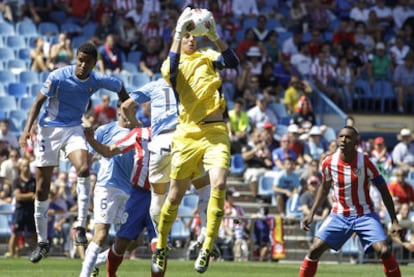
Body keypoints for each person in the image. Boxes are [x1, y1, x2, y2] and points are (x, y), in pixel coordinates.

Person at [18, 42, 130, 263]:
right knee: (42, 188)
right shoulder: (59, 76)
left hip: (73, 128)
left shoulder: (96, 79)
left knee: (84, 167)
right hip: (49, 129)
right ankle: (42, 243)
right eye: (79, 59)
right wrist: (26, 130)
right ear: (76, 58)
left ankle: (80, 226)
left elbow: (119, 86)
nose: (81, 64)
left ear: (93, 63)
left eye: (86, 61)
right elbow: (38, 102)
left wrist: (124, 106)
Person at [151, 7, 239, 275]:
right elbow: (174, 66)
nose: (192, 39)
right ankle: (162, 246)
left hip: (215, 132)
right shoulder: (171, 65)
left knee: (220, 183)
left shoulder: (209, 57)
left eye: (193, 35)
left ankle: (206, 247)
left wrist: (215, 36)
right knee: (175, 195)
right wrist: (179, 31)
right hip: (187, 134)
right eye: (187, 36)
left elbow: (233, 62)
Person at [299, 126, 403, 277]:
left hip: (365, 215)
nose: (343, 140)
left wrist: (394, 220)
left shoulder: (366, 162)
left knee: (384, 251)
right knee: (314, 249)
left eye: (348, 137)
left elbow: (384, 191)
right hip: (339, 215)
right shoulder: (329, 162)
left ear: (356, 142)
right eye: (341, 136)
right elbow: (324, 187)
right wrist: (312, 213)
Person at [80, 103, 154, 277]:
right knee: (101, 234)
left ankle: (96, 261)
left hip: (131, 191)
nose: (131, 113)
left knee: (135, 240)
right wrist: (87, 185)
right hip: (108, 186)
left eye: (134, 110)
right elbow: (89, 157)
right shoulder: (105, 130)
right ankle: (84, 274)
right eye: (128, 109)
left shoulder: (141, 132)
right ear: (119, 110)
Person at [7, 157, 36, 258]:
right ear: (20, 167)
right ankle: (12, 254)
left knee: (33, 234)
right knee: (15, 233)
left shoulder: (34, 180)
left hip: (31, 210)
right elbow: (18, 196)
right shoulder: (16, 181)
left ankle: (36, 254)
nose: (26, 168)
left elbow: (37, 195)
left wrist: (28, 196)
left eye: (27, 166)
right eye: (24, 166)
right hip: (20, 211)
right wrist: (31, 195)